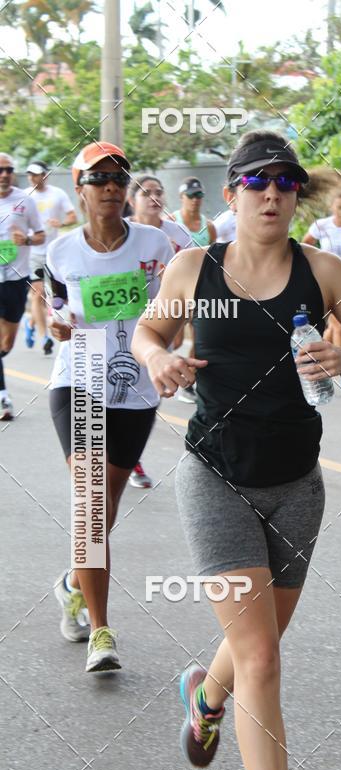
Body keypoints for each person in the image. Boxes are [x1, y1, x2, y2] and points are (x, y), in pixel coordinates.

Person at [131, 130, 341, 770]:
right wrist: (160, 358)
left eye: (285, 182)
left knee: (254, 650)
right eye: (257, 182)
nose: (273, 194)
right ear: (232, 194)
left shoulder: (323, 271)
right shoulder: (195, 269)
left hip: (297, 484)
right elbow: (149, 329)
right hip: (216, 475)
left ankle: (204, 695)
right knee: (263, 658)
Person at [47, 142, 173, 671]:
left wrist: (169, 349)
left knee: (106, 509)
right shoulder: (60, 252)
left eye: (120, 178)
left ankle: (74, 580)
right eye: (98, 179)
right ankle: (101, 630)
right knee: (91, 505)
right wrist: (55, 324)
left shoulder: (155, 243)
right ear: (80, 189)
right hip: (79, 374)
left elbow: (175, 304)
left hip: (135, 385)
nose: (111, 188)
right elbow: (54, 307)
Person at [126, 174, 193, 485]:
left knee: (148, 395)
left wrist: (181, 320)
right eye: (145, 192)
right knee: (116, 392)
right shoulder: (121, 232)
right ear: (132, 200)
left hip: (159, 325)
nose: (153, 197)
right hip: (119, 323)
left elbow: (196, 277)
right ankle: (126, 458)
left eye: (158, 191)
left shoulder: (176, 234)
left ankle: (130, 455)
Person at [302, 190, 341, 393]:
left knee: (332, 329)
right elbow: (305, 245)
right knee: (339, 327)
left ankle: (314, 361)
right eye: (340, 208)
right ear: (332, 207)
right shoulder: (321, 226)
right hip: (326, 283)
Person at [0, 152, 45, 421]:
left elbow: (40, 235)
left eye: (9, 170)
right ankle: (3, 397)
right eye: (0, 170)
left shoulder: (24, 201)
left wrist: (26, 240)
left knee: (5, 344)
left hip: (16, 279)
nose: (4, 174)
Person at [24, 160, 77, 355]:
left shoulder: (57, 194)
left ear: (45, 175)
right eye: (29, 174)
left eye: (35, 174)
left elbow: (73, 217)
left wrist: (61, 223)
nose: (31, 178)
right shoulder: (25, 196)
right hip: (32, 253)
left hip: (53, 253)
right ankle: (44, 337)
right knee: (38, 294)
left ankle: (31, 323)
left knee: (49, 297)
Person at [170, 176, 216, 246]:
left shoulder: (209, 226)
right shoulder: (171, 221)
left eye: (199, 195)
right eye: (190, 195)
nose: (195, 199)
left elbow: (214, 254)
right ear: (181, 196)